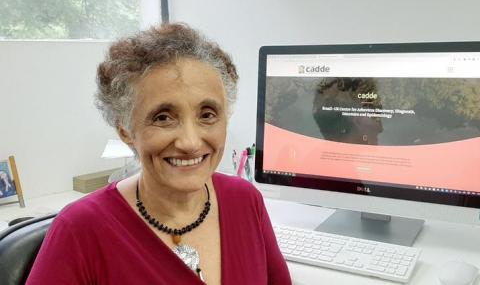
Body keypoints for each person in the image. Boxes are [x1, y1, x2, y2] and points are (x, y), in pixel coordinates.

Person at [26, 23, 292, 285]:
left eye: (207, 114)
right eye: (163, 117)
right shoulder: (79, 230)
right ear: (125, 130)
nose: (190, 142)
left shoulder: (245, 201)